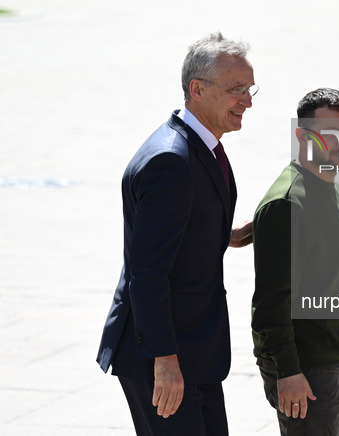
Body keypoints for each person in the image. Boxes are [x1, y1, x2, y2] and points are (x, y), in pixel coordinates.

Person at [96, 32, 255, 436]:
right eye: (236, 89)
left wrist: (227, 234)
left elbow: (178, 229)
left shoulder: (202, 146)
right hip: (164, 355)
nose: (248, 101)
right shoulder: (171, 161)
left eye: (250, 89)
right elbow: (146, 272)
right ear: (197, 89)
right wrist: (163, 361)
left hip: (194, 348)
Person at [251, 88, 339, 436]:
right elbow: (271, 304)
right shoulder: (287, 204)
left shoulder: (336, 192)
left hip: (335, 361)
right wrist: (287, 372)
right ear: (302, 135)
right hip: (306, 368)